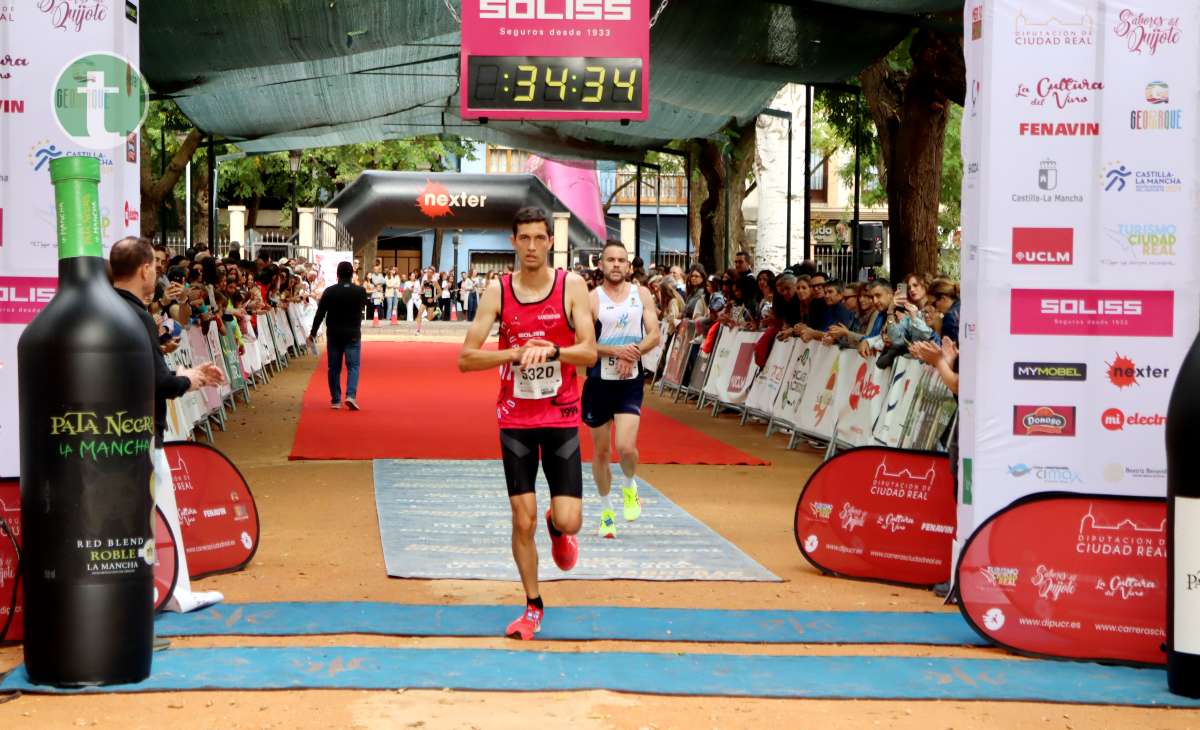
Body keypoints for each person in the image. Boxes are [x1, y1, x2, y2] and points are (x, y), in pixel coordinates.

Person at [458, 206, 596, 641]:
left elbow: (590, 352)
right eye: (525, 239)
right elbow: (466, 358)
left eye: (540, 238)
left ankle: (560, 528)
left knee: (570, 519)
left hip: (560, 414)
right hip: (515, 417)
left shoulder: (571, 286)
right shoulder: (498, 291)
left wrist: (554, 352)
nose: (533, 246)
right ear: (513, 242)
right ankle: (533, 605)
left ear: (551, 241)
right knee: (522, 519)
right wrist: (512, 355)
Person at [110, 237, 225, 613]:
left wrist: (182, 371)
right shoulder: (137, 315)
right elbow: (157, 382)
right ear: (145, 268)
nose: (157, 272)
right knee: (162, 512)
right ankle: (175, 591)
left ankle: (159, 590)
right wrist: (191, 379)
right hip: (142, 432)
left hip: (111, 434)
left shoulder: (108, 310)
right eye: (154, 267)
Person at [583, 241, 660, 539]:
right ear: (600, 265)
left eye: (621, 260)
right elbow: (586, 344)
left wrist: (634, 353)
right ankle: (606, 512)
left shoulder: (641, 295)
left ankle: (630, 485)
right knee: (601, 453)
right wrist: (617, 353)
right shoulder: (592, 299)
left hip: (629, 383)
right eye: (610, 260)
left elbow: (653, 335)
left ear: (629, 266)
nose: (616, 265)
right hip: (600, 383)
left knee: (626, 448)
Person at [308, 260, 369, 410]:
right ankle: (351, 395)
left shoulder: (329, 291)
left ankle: (335, 399)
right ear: (352, 274)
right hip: (353, 332)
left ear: (337, 275)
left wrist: (313, 333)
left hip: (334, 333)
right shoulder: (360, 291)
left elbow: (320, 314)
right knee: (353, 366)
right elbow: (363, 305)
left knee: (334, 367)